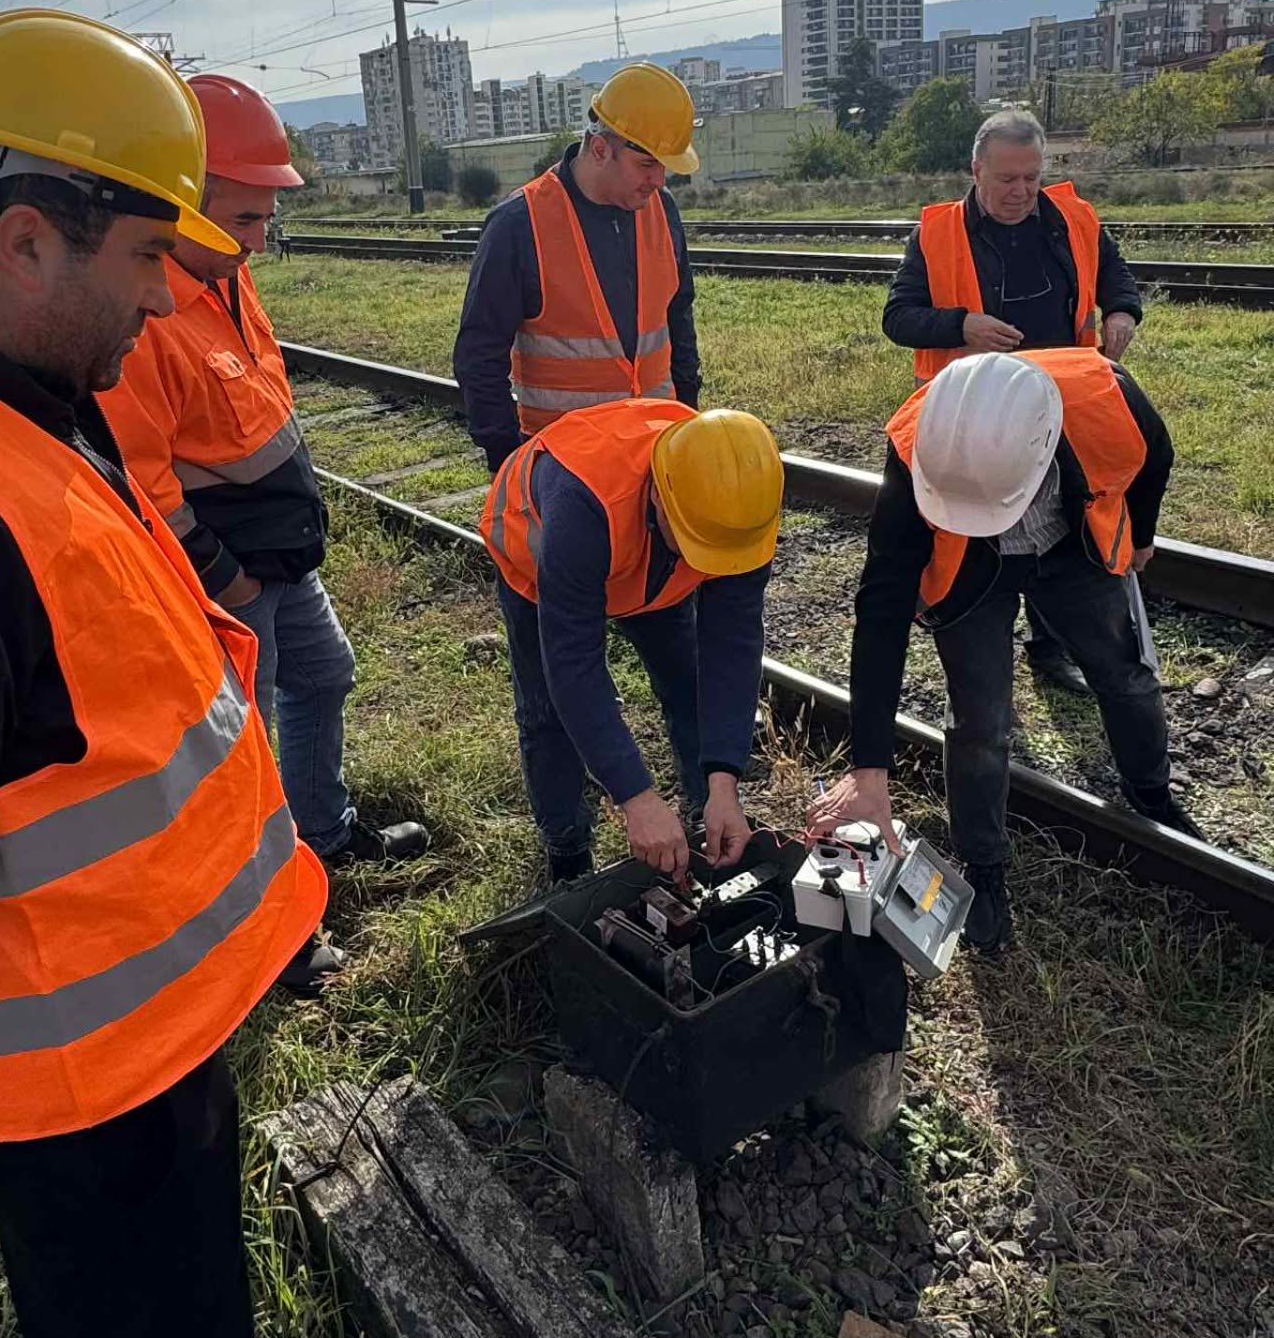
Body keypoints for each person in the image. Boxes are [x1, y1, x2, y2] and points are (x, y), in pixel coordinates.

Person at [0, 9, 328, 1338]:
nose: (168, 303)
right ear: (28, 239)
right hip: (78, 1092)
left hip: (132, 1051)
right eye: (145, 261)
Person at [102, 73, 427, 940]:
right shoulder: (151, 311)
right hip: (234, 575)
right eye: (244, 217)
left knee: (326, 676)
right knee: (243, 747)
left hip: (281, 557)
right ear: (183, 208)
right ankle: (276, 919)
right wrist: (226, 581)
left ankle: (321, 835)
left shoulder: (226, 276)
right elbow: (142, 481)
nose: (261, 235)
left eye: (263, 214)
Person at [807, 349, 1201, 958]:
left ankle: (1152, 797)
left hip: (1073, 546)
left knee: (1124, 674)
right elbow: (881, 611)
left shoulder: (1110, 398)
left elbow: (1157, 458)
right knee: (981, 722)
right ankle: (984, 866)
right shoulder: (917, 443)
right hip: (971, 572)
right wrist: (870, 769)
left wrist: (1142, 536)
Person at [882, 108, 1144, 697]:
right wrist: (961, 324)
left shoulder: (1072, 218)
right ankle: (981, 646)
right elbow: (898, 318)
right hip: (979, 420)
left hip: (1066, 410)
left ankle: (1050, 648)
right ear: (976, 171)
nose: (1021, 191)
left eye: (1031, 177)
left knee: (1066, 528)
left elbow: (1115, 276)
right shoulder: (936, 234)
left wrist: (1123, 309)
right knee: (985, 532)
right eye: (1007, 178)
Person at [482, 395, 784, 881]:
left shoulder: (738, 499)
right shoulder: (582, 505)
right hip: (537, 562)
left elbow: (733, 643)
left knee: (690, 685)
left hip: (647, 569)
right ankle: (568, 852)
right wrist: (636, 797)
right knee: (547, 717)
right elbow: (575, 667)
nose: (706, 564)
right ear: (662, 497)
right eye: (695, 545)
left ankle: (706, 816)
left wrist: (725, 777)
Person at [453, 62, 702, 479]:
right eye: (647, 164)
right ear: (601, 148)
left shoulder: (662, 211)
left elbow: (679, 317)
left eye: (666, 167)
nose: (659, 180)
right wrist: (507, 460)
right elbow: (478, 355)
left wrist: (689, 420)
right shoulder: (521, 223)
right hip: (565, 472)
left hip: (655, 455)